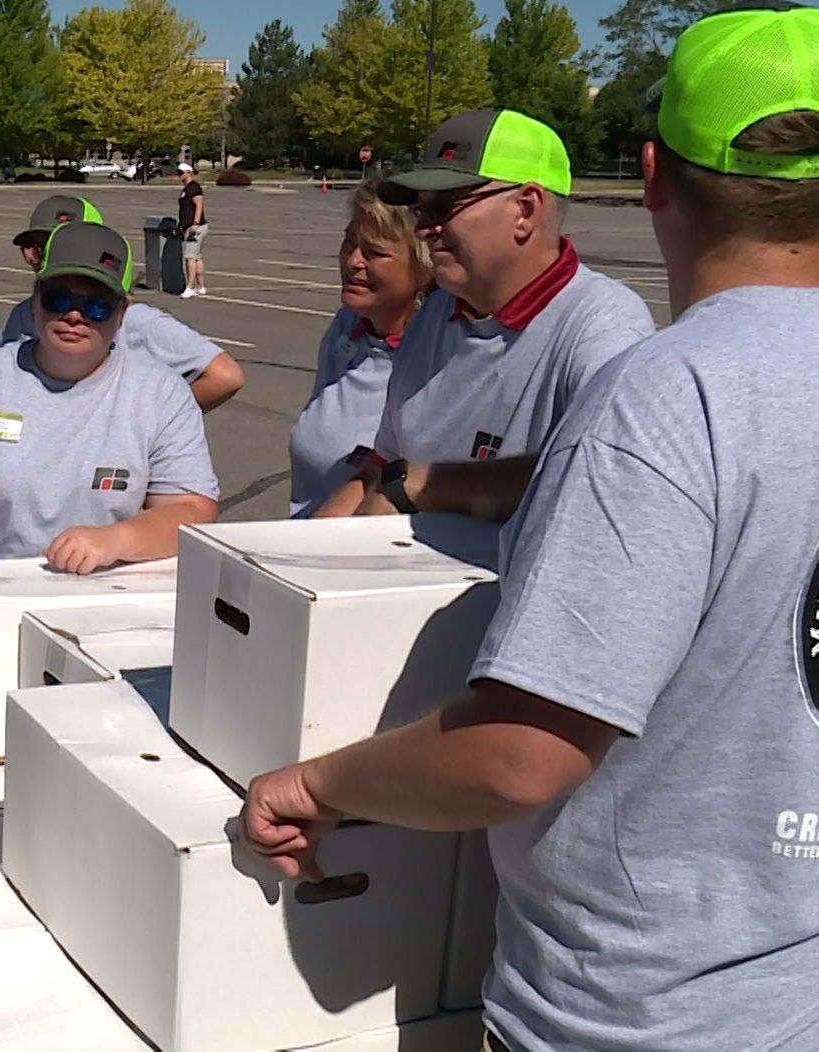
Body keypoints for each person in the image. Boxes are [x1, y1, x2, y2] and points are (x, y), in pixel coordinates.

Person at [241, 8, 819, 1052]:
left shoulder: (666, 392)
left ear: (652, 176)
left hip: (634, 1011)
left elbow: (522, 753)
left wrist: (316, 781)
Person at [314, 109, 655, 521]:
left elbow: (607, 474)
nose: (423, 228)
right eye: (421, 211)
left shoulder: (601, 324)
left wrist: (424, 484)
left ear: (525, 210)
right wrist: (296, 557)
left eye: (442, 208)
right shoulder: (436, 312)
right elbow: (382, 467)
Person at [0, 222, 219, 599]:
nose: (74, 316)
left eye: (97, 305)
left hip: (116, 599)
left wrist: (114, 540)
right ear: (34, 300)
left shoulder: (163, 393)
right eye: (58, 299)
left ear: (121, 314)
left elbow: (191, 508)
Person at [0, 195, 244, 411]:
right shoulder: (22, 315)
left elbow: (224, 376)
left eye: (48, 245)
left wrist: (148, 423)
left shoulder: (135, 321)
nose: (33, 256)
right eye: (31, 248)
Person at [288, 176, 432, 516]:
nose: (353, 261)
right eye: (349, 243)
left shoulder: (436, 359)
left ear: (425, 268)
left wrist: (308, 547)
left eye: (375, 252)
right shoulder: (348, 325)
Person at [177, 162, 208, 298]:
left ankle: (189, 287)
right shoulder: (186, 189)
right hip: (189, 226)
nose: (180, 175)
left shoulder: (194, 188)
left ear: (189, 172)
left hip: (195, 227)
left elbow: (199, 206)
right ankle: (201, 287)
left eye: (182, 172)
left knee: (189, 257)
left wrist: (195, 223)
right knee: (197, 257)